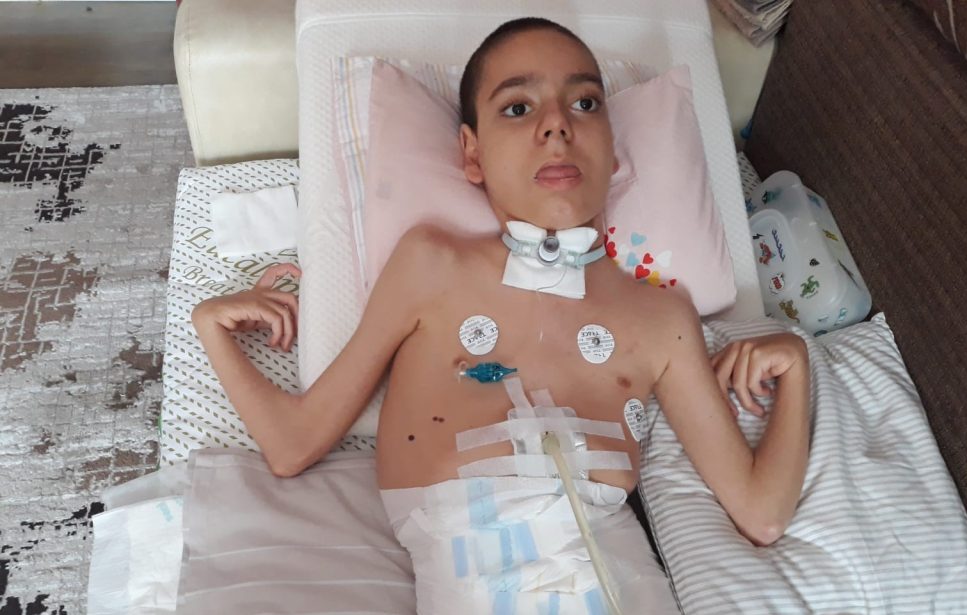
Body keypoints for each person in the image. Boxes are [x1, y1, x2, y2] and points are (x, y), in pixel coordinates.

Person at [192, 17, 810, 613]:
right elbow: (293, 445)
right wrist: (211, 326)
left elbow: (761, 513)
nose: (557, 126)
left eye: (585, 104)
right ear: (472, 154)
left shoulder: (663, 317)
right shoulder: (431, 265)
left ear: (612, 147)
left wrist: (797, 363)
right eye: (518, 108)